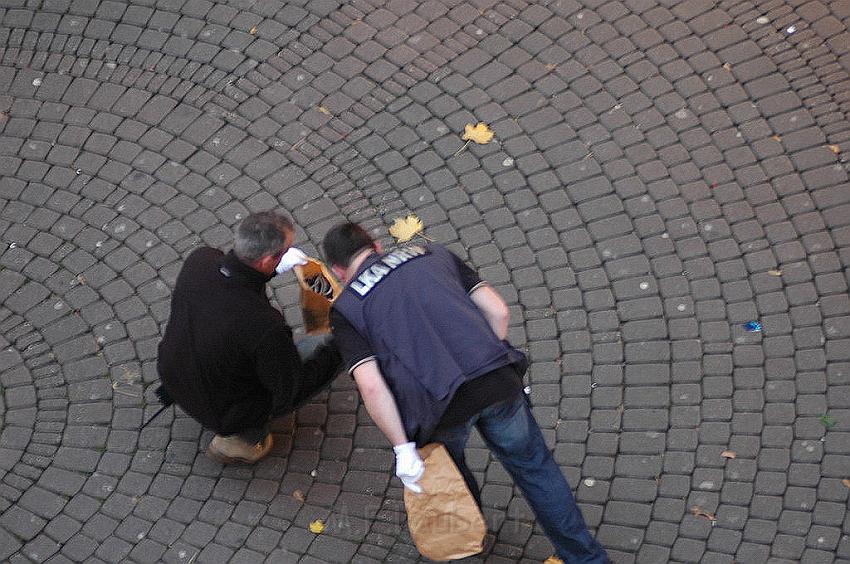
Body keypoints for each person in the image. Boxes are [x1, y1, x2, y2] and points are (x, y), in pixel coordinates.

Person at [323, 222, 609, 563]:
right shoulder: (433, 253)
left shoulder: (347, 309)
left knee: (452, 475)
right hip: (497, 382)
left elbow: (371, 385)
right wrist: (495, 355)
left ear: (338, 272)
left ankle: (472, 534)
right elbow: (498, 310)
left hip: (438, 408)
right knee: (536, 469)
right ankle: (586, 558)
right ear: (378, 246)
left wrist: (402, 449)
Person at [157, 211, 342, 464]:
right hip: (221, 410)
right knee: (317, 350)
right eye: (284, 252)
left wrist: (272, 273)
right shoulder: (263, 326)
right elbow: (291, 389)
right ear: (267, 260)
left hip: (175, 376)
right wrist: (341, 346)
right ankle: (241, 440)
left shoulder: (200, 260)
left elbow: (239, 282)